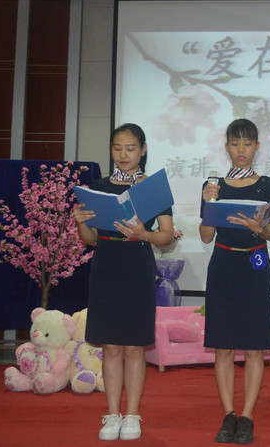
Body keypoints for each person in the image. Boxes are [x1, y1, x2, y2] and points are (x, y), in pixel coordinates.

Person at [74, 123, 174, 441]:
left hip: (137, 266)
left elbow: (167, 236)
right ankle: (112, 414)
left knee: (133, 346)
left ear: (143, 150)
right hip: (106, 266)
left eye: (130, 148)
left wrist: (145, 234)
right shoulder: (98, 187)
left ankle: (132, 415)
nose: (123, 154)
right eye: (117, 148)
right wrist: (80, 222)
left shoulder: (152, 189)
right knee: (111, 346)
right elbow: (90, 239)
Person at [199, 118, 270, 445]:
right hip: (223, 264)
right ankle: (229, 414)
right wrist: (209, 202)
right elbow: (206, 236)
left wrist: (255, 226)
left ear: (257, 147)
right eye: (235, 144)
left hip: (255, 264)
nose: (241, 150)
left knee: (254, 347)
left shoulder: (269, 186)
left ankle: (246, 416)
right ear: (226, 147)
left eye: (247, 144)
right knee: (222, 347)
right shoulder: (213, 185)